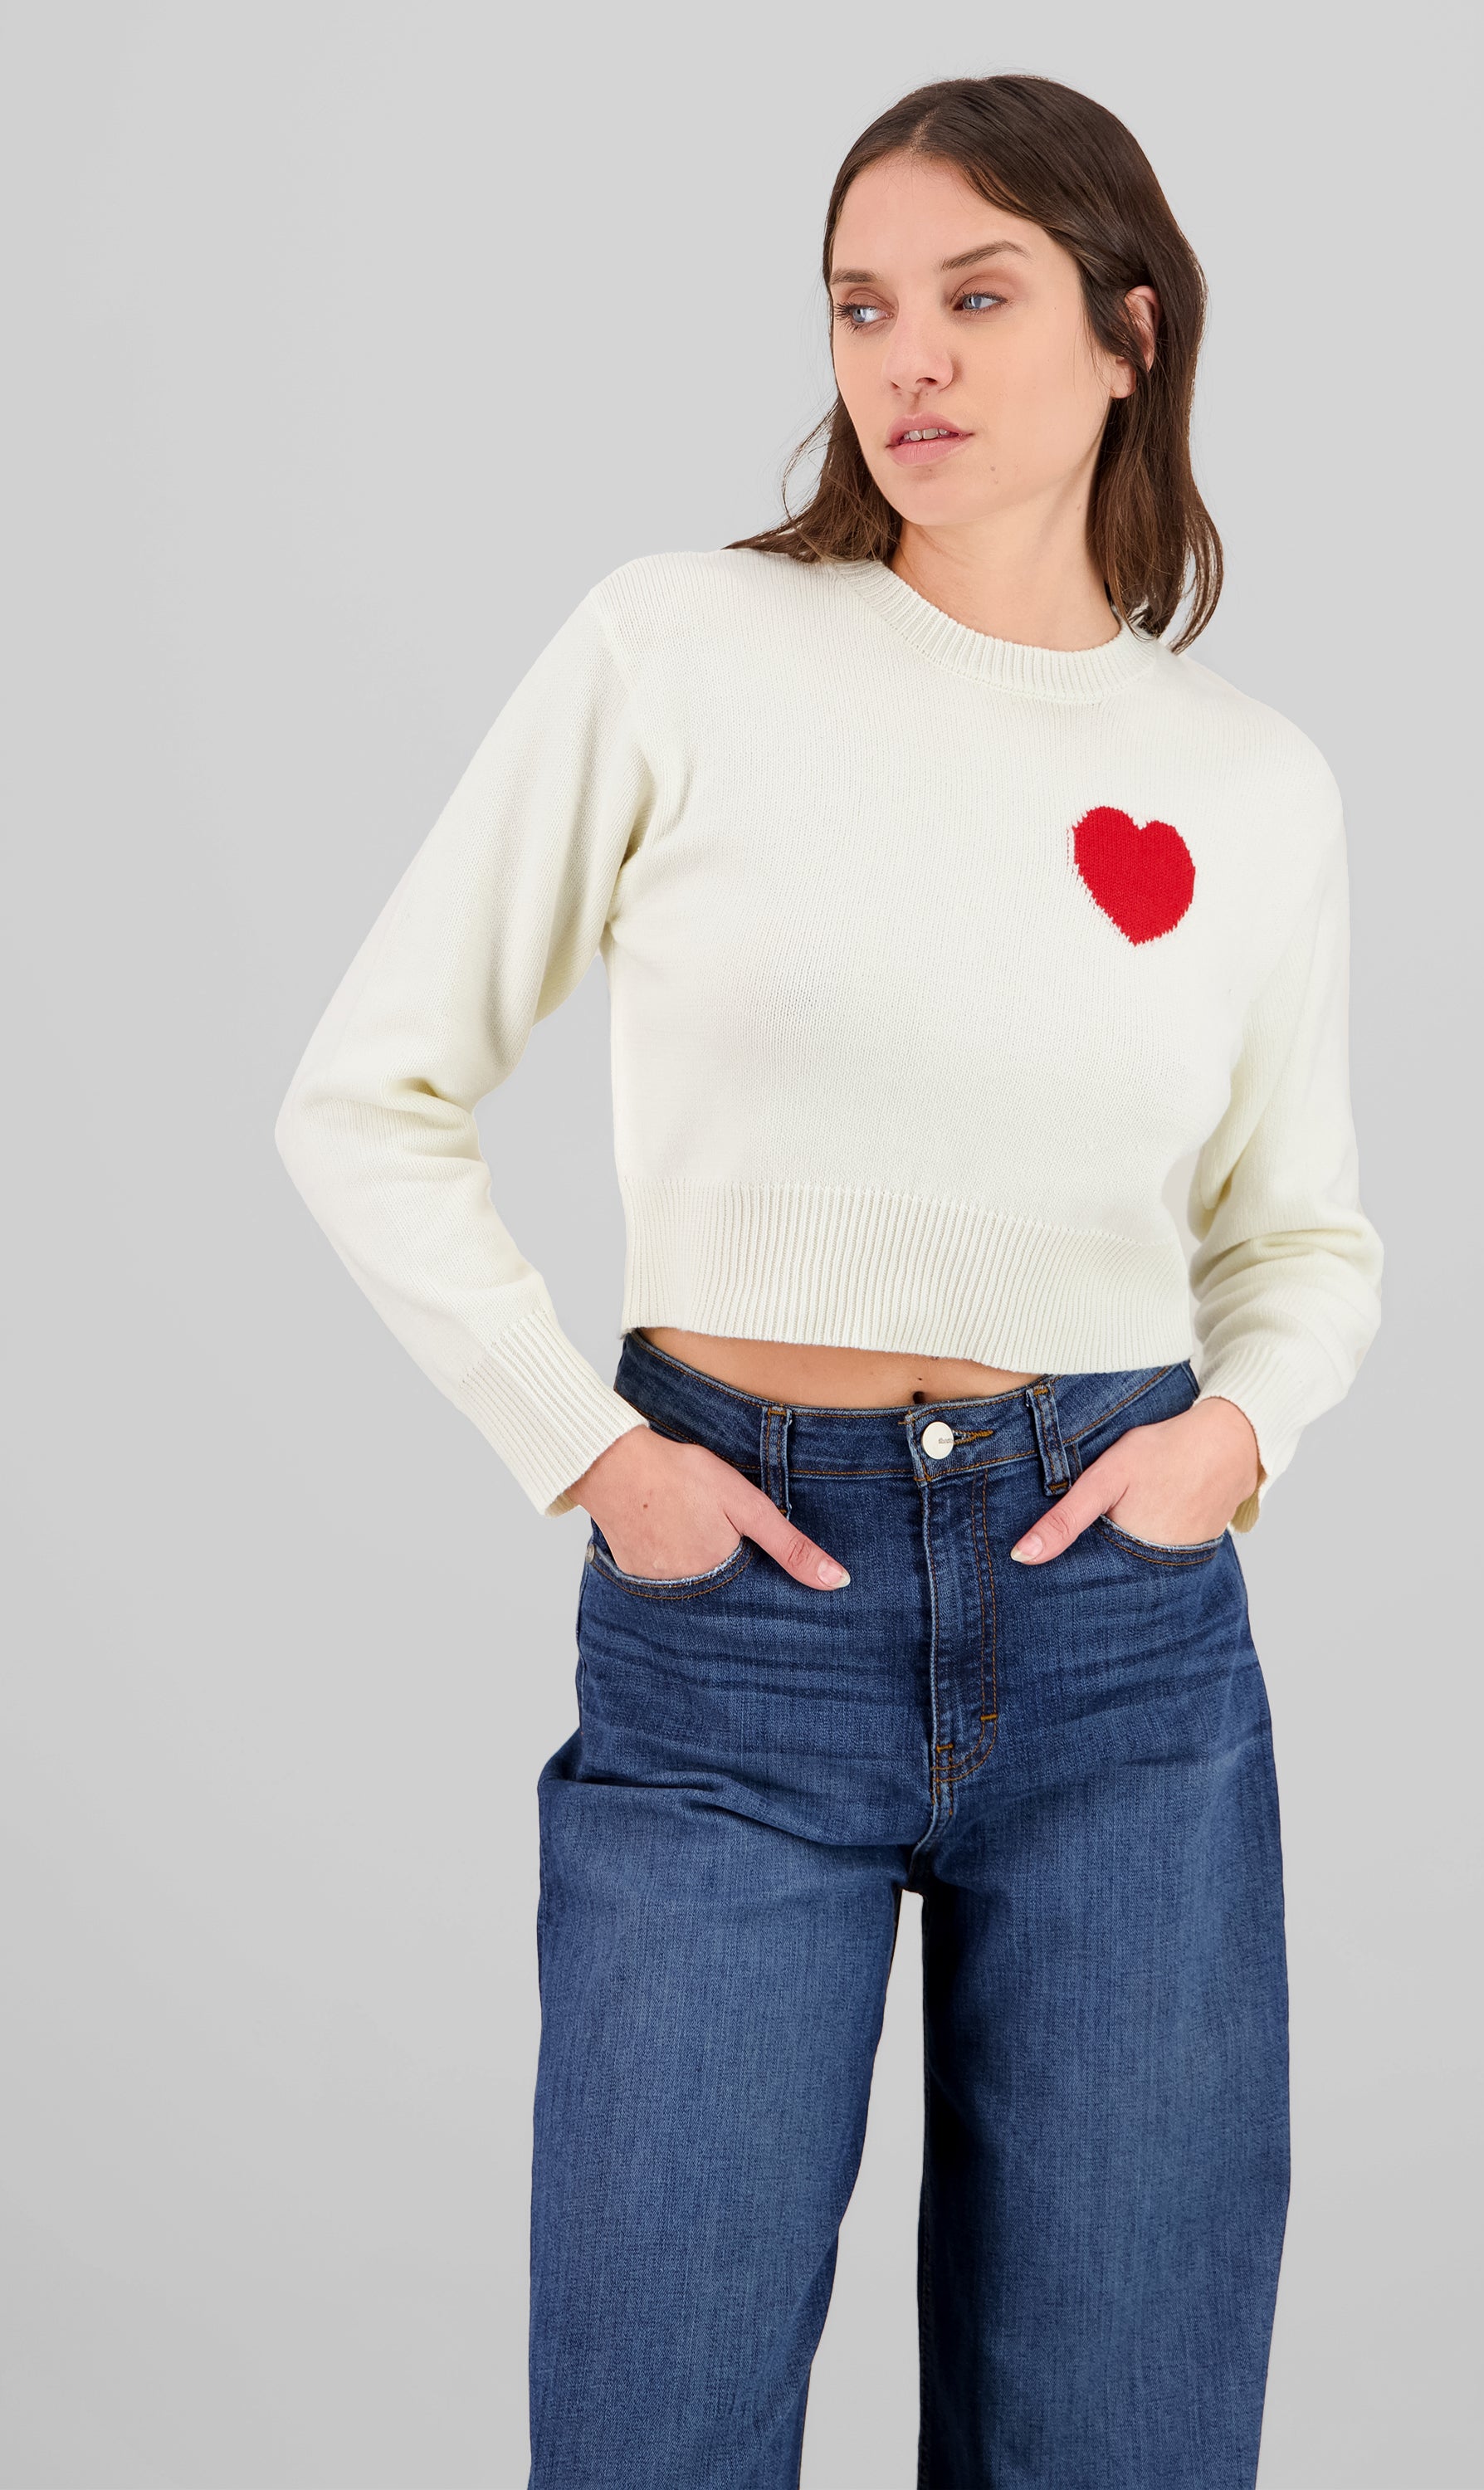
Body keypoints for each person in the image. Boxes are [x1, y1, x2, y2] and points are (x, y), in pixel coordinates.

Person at [276, 70, 1383, 2490]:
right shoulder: (681, 647)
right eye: (863, 308)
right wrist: (590, 1455)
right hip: (738, 1604)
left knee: (1122, 2434)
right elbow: (366, 1094)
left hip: (1118, 1627)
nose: (911, 361)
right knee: (654, 2421)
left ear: (1131, 333)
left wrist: (1232, 1438)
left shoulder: (1251, 784)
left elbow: (1300, 1236)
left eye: (978, 296)